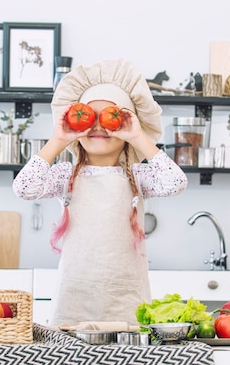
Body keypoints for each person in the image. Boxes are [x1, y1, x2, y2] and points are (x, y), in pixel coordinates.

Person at [12, 59, 188, 326]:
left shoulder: (139, 177)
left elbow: (175, 182)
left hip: (126, 298)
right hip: (74, 297)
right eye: (87, 117)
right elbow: (24, 188)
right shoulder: (65, 175)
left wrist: (139, 137)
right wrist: (58, 139)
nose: (97, 126)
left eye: (111, 117)